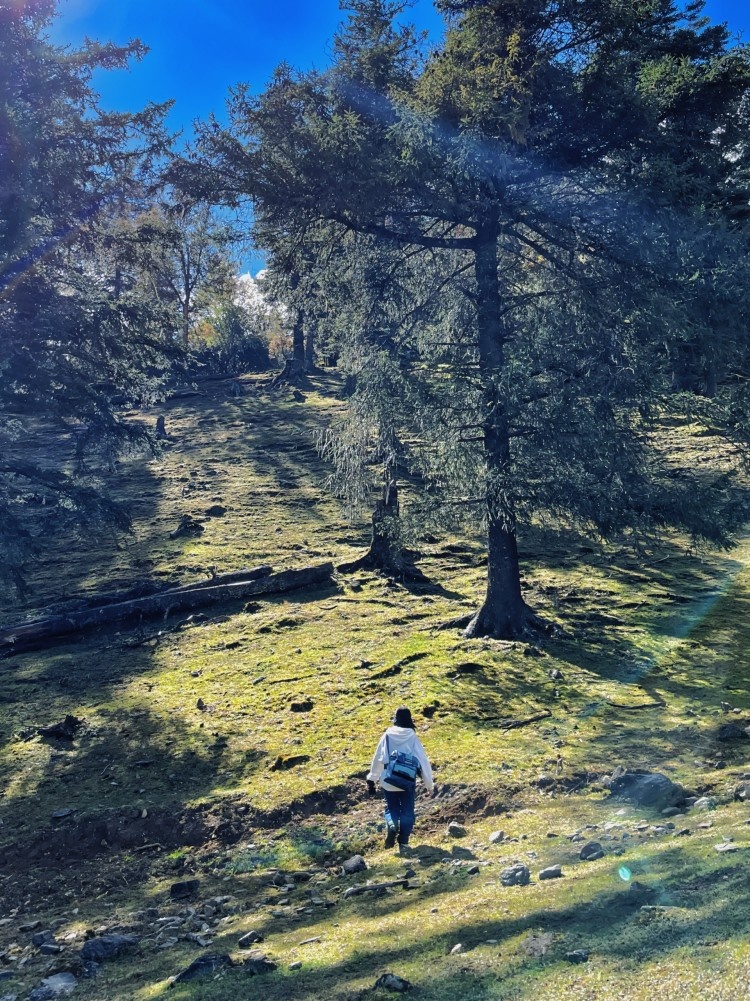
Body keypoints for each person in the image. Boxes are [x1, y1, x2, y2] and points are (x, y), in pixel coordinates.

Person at [367, 706, 435, 849]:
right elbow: (422, 760)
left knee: (391, 808)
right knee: (407, 811)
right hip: (407, 781)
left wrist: (372, 780)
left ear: (395, 718)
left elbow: (379, 758)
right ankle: (403, 842)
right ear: (409, 719)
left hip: (388, 779)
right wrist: (429, 784)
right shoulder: (412, 736)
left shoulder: (387, 735)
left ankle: (392, 825)